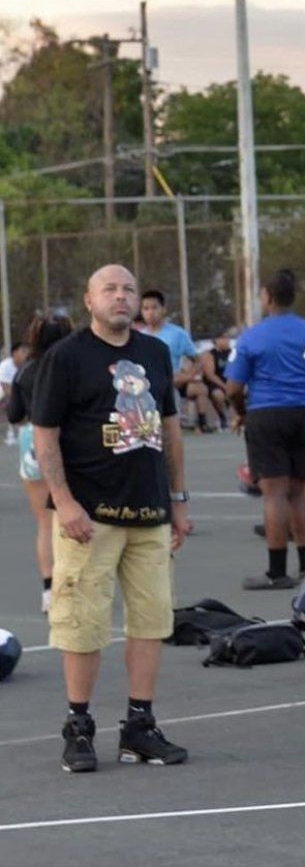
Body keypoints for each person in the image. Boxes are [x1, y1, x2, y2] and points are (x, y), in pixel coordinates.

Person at [30, 265, 191, 773]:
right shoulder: (67, 358)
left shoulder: (155, 353)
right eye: (109, 289)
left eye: (128, 289)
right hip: (89, 519)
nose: (121, 297)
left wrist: (179, 500)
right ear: (89, 299)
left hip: (149, 513)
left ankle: (139, 728)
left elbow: (170, 428)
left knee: (151, 622)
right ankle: (78, 727)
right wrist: (65, 501)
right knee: (83, 625)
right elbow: (45, 435)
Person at [225, 269, 305, 589]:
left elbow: (233, 387)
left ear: (267, 297)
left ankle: (277, 571)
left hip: (267, 413)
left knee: (274, 493)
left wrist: (241, 413)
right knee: (299, 492)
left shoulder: (252, 336)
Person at [8, 314, 75, 612]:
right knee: (76, 515)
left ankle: (49, 590)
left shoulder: (25, 372)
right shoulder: (73, 366)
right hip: (67, 442)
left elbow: (13, 415)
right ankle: (74, 583)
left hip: (31, 442)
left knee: (44, 523)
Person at [139, 290, 218, 432]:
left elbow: (198, 360)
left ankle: (201, 423)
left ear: (163, 309)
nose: (150, 312)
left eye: (154, 307)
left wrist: (187, 376)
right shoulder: (138, 337)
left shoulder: (177, 334)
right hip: (146, 388)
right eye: (146, 308)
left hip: (171, 384)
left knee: (171, 427)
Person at [200, 328, 236, 429]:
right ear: (216, 340)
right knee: (218, 395)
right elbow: (210, 375)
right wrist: (224, 386)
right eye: (223, 338)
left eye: (228, 338)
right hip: (215, 383)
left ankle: (243, 417)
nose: (227, 340)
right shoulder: (210, 355)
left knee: (244, 390)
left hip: (231, 382)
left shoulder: (233, 353)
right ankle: (223, 417)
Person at [1, 341, 30, 443]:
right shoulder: (5, 366)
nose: (26, 353)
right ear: (14, 353)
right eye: (23, 351)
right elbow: (5, 388)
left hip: (16, 395)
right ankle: (12, 432)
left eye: (27, 351)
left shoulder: (27, 366)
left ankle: (23, 431)